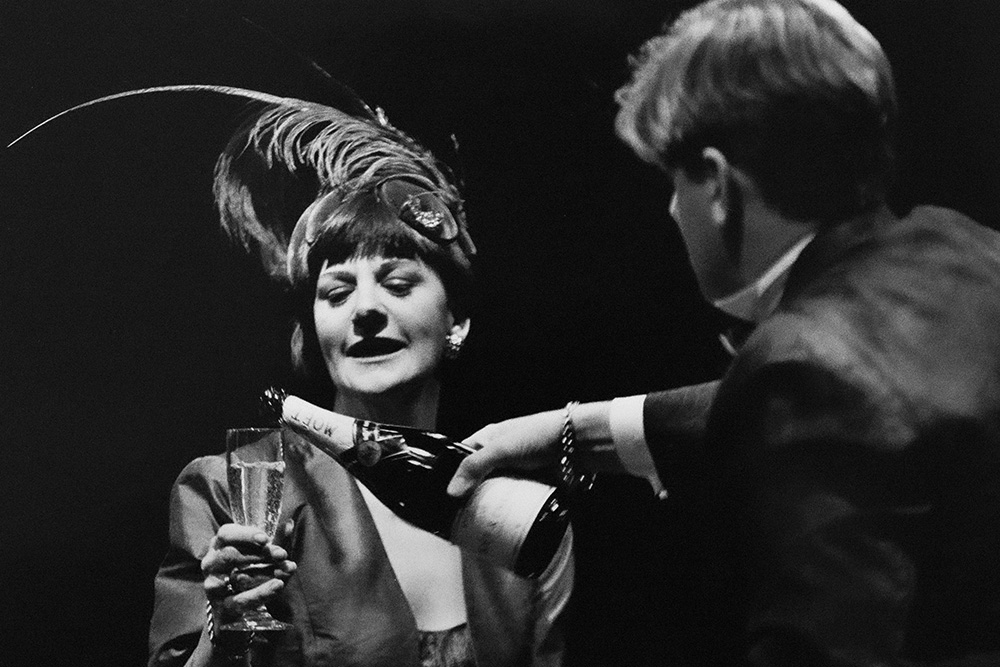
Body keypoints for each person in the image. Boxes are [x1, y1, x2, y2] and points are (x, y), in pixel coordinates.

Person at [448, 1, 1000, 665]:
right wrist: (560, 429)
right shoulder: (963, 245)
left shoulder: (803, 365)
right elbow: (869, 406)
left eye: (673, 182)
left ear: (716, 184)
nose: (672, 210)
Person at [148, 99, 573, 667]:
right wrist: (222, 636)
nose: (365, 310)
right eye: (337, 292)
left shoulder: (520, 514)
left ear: (457, 321)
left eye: (398, 283)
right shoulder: (236, 489)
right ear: (314, 329)